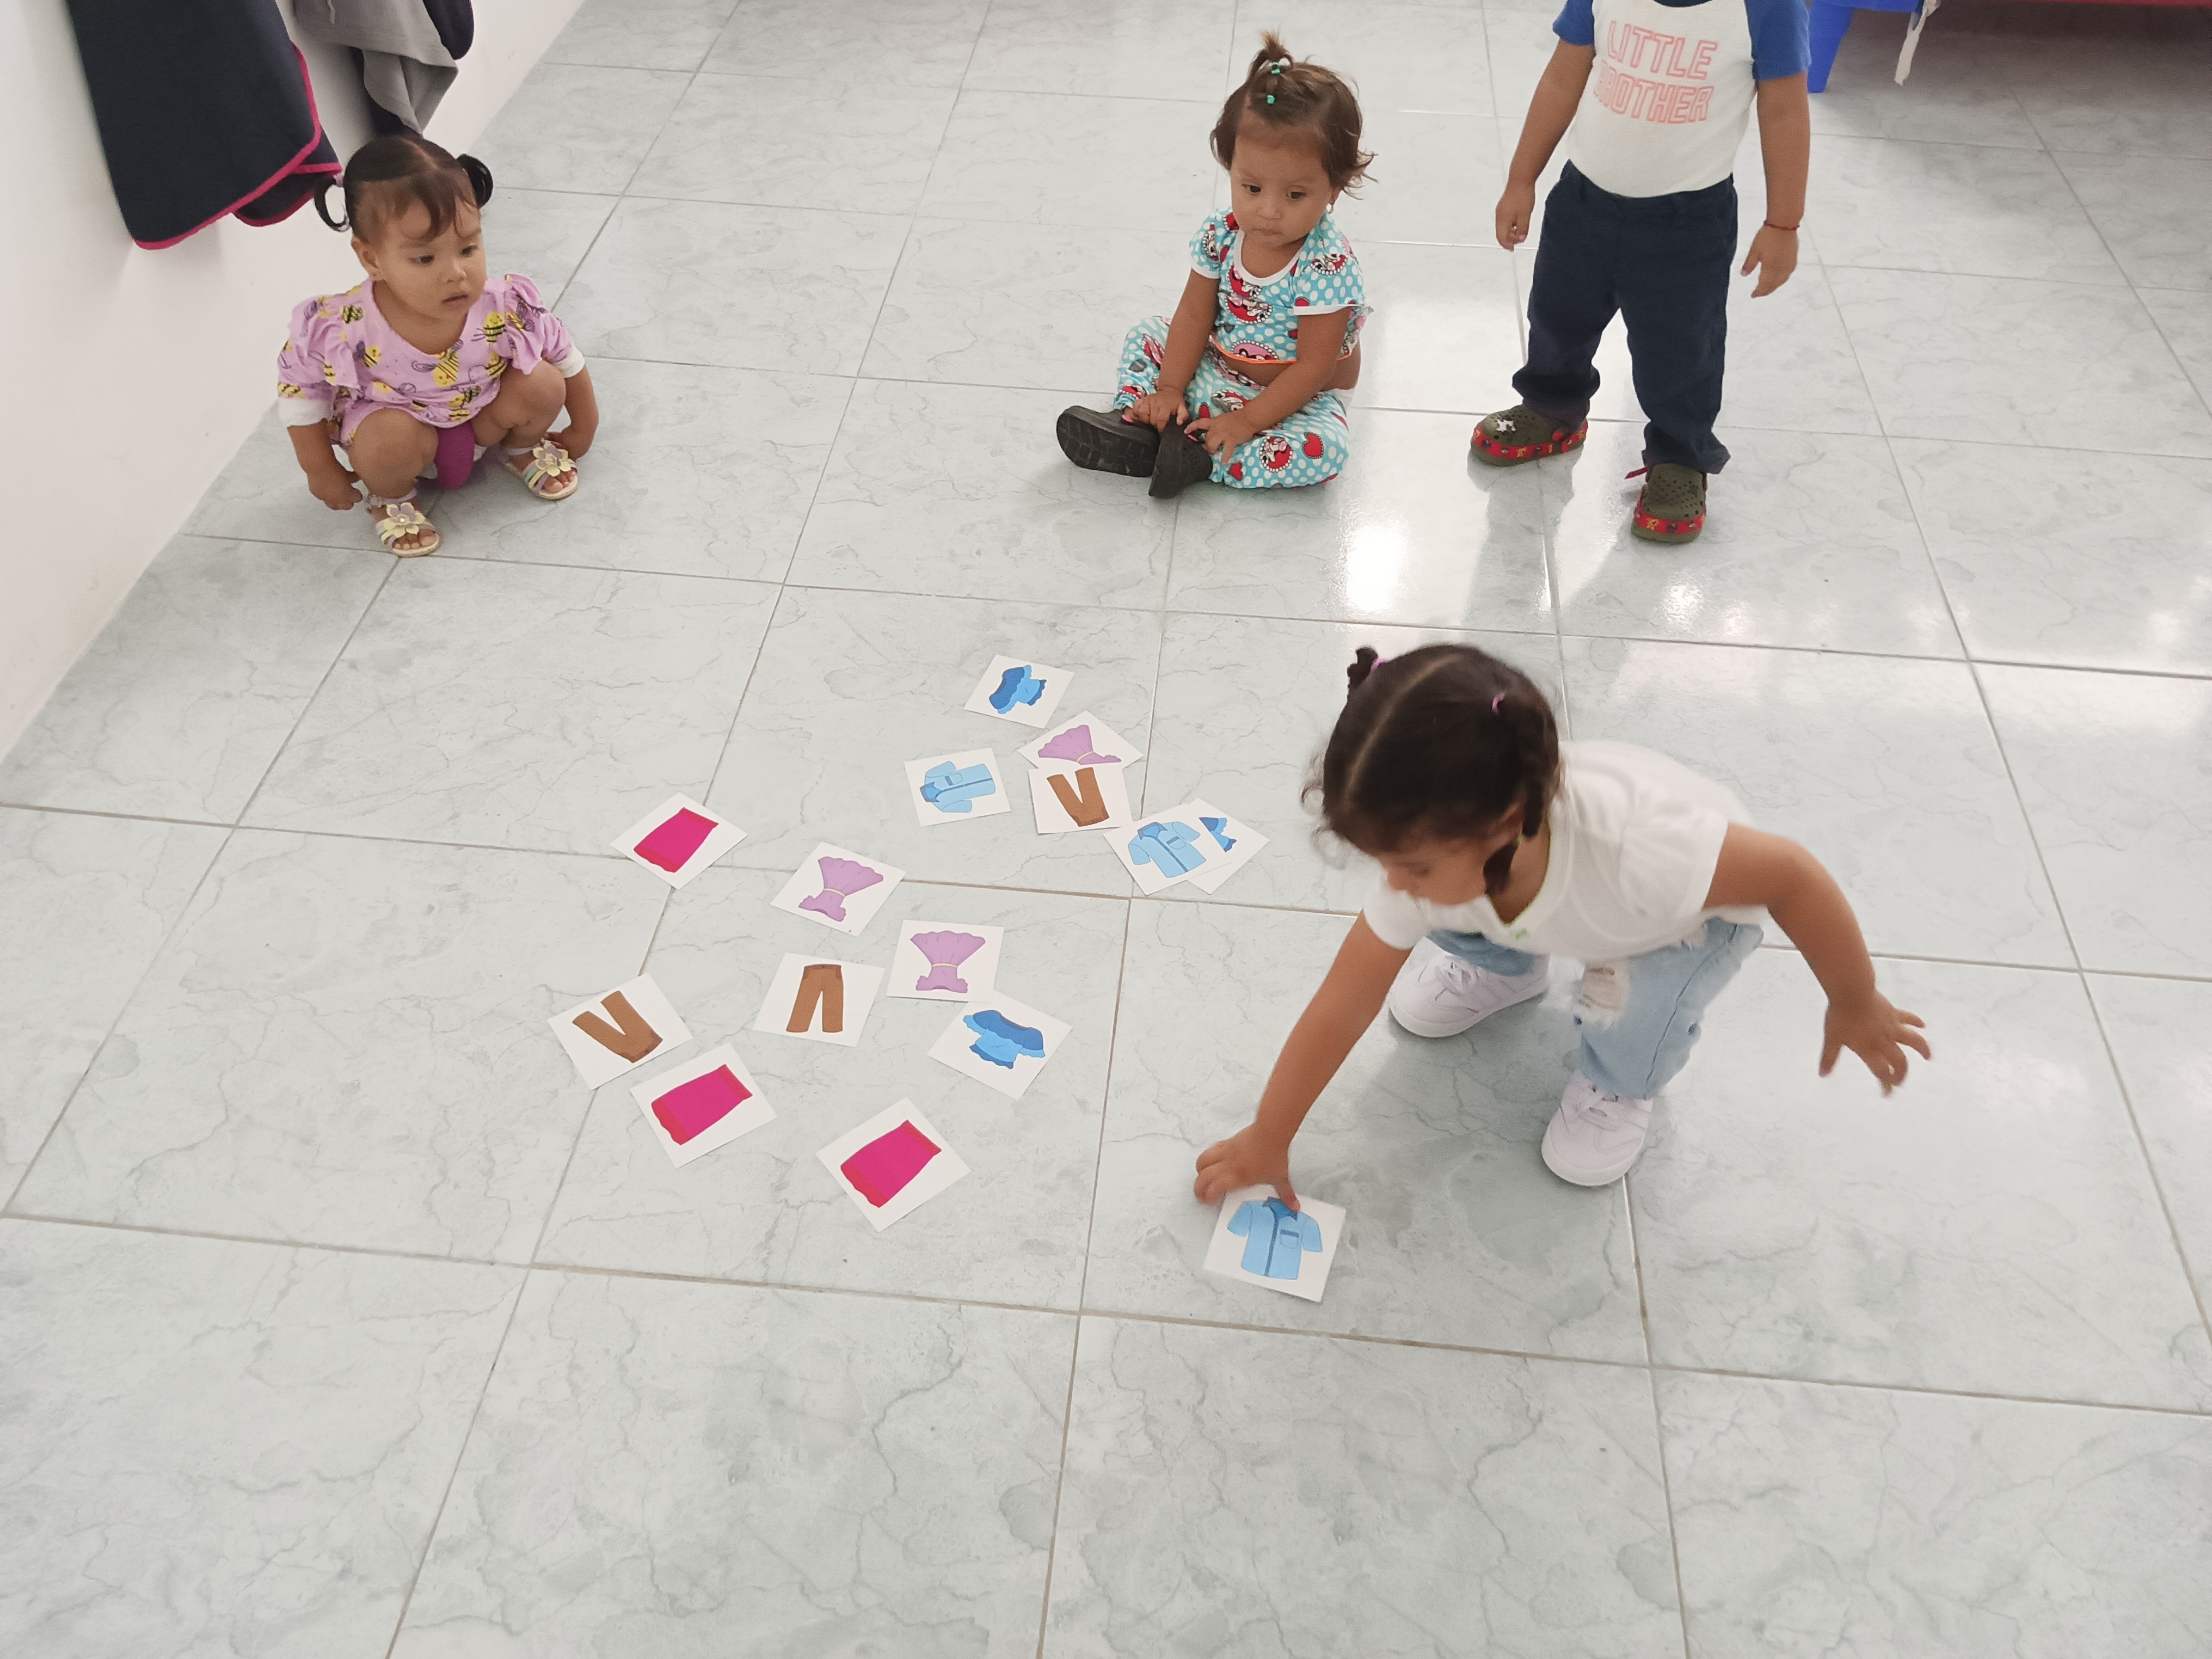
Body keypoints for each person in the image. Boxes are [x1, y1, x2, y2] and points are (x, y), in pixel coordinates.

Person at [1193, 644, 1928, 1207]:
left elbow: (1793, 877)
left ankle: (1618, 1085)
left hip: (1681, 923)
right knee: (1436, 909)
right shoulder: (1441, 844)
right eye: (1383, 861)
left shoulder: (1643, 847)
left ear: (1505, 823)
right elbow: (1343, 1000)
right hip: (1538, 899)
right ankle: (1505, 968)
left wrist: (1854, 999)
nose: (1391, 881)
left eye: (1409, 864)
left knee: (1638, 1017)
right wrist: (1269, 1135)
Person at [1471, 0, 1812, 543]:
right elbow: (1563, 76)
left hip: (1687, 223)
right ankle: (1552, 405)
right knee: (1557, 315)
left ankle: (1680, 454)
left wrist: (1783, 223)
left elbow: (1785, 110)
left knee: (1680, 348)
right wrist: (1521, 179)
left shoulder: (1767, 7)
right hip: (1583, 200)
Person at [1055, 34, 1371, 500]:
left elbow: (1314, 369)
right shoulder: (1221, 234)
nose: (1268, 211)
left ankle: (1201, 458)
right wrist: (1169, 387)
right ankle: (1142, 421)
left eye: (1295, 195)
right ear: (1230, 168)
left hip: (1293, 401)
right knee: (1148, 332)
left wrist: (1247, 421)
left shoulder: (1327, 264)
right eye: (1252, 188)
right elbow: (1193, 315)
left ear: (1336, 188)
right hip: (1217, 369)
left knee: (1327, 451)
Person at [275, 134, 599, 556]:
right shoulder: (341, 325)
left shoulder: (504, 304)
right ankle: (392, 498)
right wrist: (319, 468)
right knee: (385, 440)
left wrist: (584, 426)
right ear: (372, 259)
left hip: (486, 420)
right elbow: (301, 392)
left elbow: (566, 357)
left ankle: (521, 448)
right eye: (425, 258)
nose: (456, 273)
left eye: (468, 248)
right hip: (402, 435)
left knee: (544, 381)